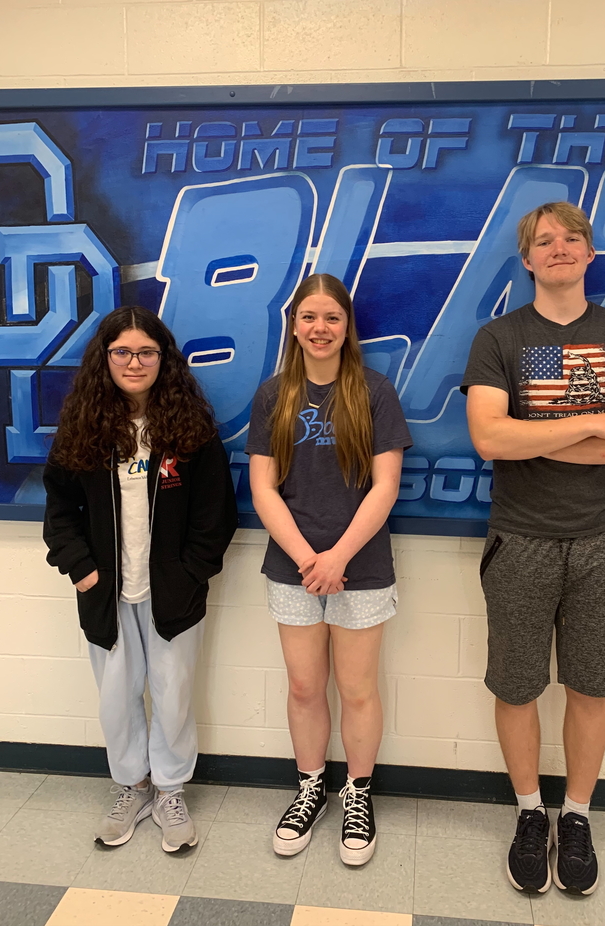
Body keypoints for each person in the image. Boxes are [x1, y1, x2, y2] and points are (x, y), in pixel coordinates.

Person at [461, 202, 605, 896]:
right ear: (526, 259)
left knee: (591, 684)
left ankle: (575, 816)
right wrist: (597, 422)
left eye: (570, 238)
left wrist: (537, 432)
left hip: (600, 541)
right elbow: (490, 441)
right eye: (543, 241)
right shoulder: (499, 337)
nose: (558, 248)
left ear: (590, 252)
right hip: (518, 540)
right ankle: (528, 813)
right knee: (516, 686)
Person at [43, 306, 237, 853]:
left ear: (163, 358)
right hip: (105, 593)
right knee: (116, 697)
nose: (134, 362)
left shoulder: (190, 430)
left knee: (173, 695)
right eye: (122, 352)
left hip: (172, 594)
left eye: (146, 352)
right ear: (105, 358)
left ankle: (170, 790)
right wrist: (81, 571)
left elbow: (215, 513)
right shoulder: (82, 427)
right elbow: (59, 511)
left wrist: (193, 573)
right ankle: (132, 785)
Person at [247, 273, 412, 865]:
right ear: (295, 325)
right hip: (293, 566)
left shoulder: (374, 391)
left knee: (357, 688)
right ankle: (310, 785)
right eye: (310, 317)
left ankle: (357, 793)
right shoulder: (273, 395)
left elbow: (385, 484)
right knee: (303, 686)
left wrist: (337, 558)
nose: (320, 329)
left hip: (359, 568)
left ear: (348, 327)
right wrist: (306, 560)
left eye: (332, 318)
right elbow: (263, 488)